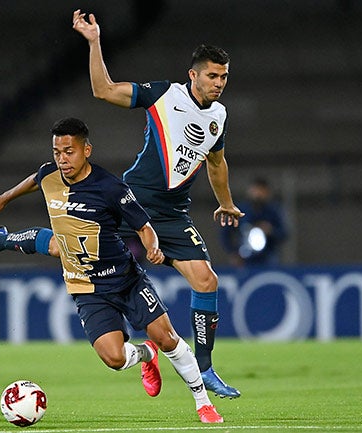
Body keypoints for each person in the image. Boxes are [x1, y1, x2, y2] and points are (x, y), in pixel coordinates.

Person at [0, 118, 224, 423]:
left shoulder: (110, 187)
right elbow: (36, 178)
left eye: (68, 151)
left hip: (125, 280)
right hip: (85, 287)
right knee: (115, 358)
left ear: (87, 150)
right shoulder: (50, 174)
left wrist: (151, 246)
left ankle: (203, 403)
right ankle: (147, 355)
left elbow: (143, 224)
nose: (62, 158)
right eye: (57, 152)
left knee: (167, 338)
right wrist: (4, 198)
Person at [70, 9, 243, 399]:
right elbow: (104, 90)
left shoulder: (220, 115)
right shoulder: (165, 94)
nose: (219, 83)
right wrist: (95, 42)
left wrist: (227, 203)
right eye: (213, 76)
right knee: (73, 233)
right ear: (193, 75)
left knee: (207, 280)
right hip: (131, 201)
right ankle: (3, 240)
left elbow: (216, 161)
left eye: (224, 77)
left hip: (170, 214)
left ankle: (205, 367)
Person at [220, 176, 288, 267]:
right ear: (250, 191)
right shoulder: (239, 210)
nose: (258, 194)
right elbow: (225, 233)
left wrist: (271, 230)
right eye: (256, 190)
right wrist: (233, 252)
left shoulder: (274, 211)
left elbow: (284, 233)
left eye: (262, 191)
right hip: (244, 257)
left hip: (268, 257)